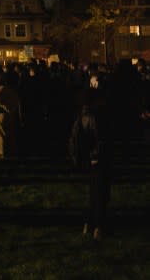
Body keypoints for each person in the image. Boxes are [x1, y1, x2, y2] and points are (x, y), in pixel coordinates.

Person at [69, 82, 110, 240]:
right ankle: (98, 226)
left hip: (88, 158)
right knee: (101, 194)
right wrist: (98, 155)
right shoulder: (95, 117)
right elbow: (101, 139)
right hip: (97, 159)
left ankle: (89, 223)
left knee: (94, 193)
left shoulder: (82, 115)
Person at [0, 77, 21, 159]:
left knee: (1, 134)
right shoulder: (12, 91)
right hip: (10, 113)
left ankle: (2, 152)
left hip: (0, 113)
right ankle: (11, 151)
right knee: (10, 134)